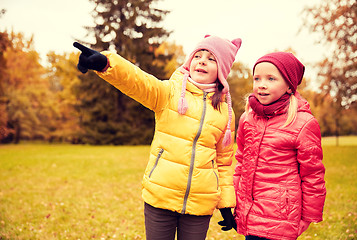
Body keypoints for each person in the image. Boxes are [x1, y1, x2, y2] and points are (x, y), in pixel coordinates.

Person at [73, 35, 241, 240]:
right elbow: (139, 81)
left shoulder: (225, 112)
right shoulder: (169, 93)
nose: (202, 60)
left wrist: (225, 204)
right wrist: (107, 63)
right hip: (160, 196)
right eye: (198, 55)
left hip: (200, 204)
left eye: (211, 58)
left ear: (222, 70)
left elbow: (223, 163)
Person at [233, 52, 326, 240]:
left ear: (289, 86)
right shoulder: (247, 119)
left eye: (271, 78)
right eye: (257, 78)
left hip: (281, 217)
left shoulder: (303, 122)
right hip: (251, 215)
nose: (261, 84)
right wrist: (232, 203)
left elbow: (313, 174)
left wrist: (308, 217)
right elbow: (241, 164)